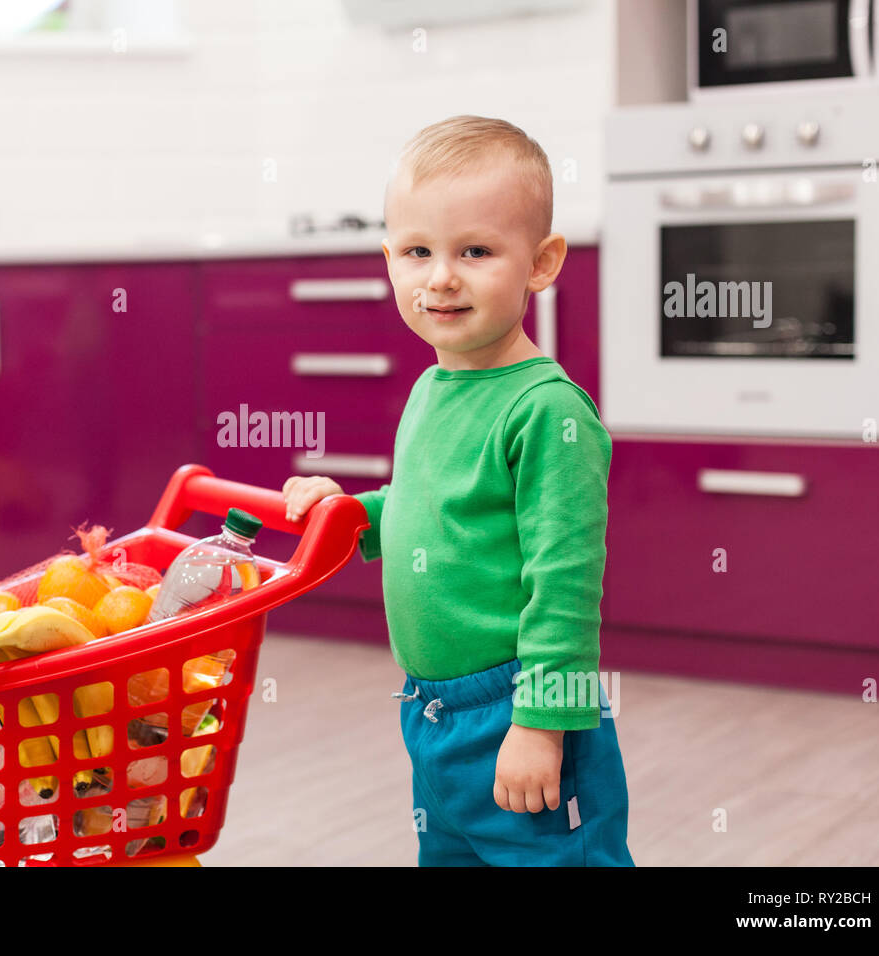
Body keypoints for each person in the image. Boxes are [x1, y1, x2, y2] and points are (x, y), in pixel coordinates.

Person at [282, 115, 633, 866]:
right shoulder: (433, 388)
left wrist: (542, 725)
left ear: (541, 263)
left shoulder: (547, 411)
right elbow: (428, 507)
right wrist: (348, 513)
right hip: (432, 712)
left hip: (522, 709)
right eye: (417, 251)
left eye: (474, 251)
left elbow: (566, 587)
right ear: (389, 261)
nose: (440, 276)